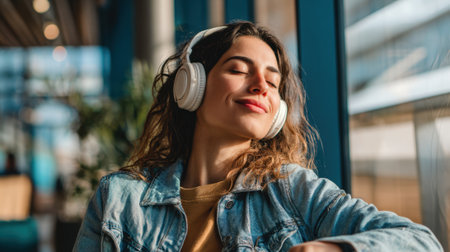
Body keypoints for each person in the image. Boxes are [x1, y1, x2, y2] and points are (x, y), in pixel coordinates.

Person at [73, 21, 443, 251]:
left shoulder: (295, 192)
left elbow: (420, 242)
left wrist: (333, 250)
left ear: (278, 112)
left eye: (273, 81)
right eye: (239, 69)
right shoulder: (119, 199)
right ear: (192, 85)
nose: (260, 87)